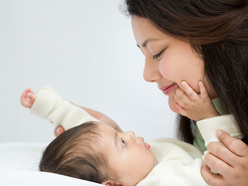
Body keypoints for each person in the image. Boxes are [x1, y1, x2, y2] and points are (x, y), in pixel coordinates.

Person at [55, 1, 248, 185]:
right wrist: (111, 148)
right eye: (143, 54)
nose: (147, 75)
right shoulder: (209, 106)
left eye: (157, 52)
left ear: (215, 35)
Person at [21, 86, 242, 185]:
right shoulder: (163, 181)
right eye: (123, 143)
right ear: (114, 185)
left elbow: (91, 130)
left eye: (121, 135)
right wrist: (206, 115)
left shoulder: (141, 165)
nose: (131, 133)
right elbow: (220, 167)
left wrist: (55, 109)